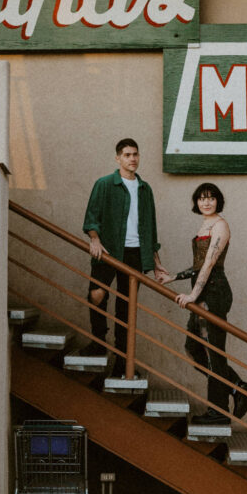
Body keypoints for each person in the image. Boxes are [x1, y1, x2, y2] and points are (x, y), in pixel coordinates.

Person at [83, 138, 168, 376]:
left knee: (126, 307)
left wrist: (156, 263)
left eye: (135, 154)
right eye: (127, 155)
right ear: (117, 158)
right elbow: (92, 216)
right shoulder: (105, 184)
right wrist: (95, 239)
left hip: (135, 254)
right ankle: (98, 343)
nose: (132, 159)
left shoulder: (145, 189)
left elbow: (150, 229)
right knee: (97, 294)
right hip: (109, 250)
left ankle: (122, 360)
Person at [172, 183, 247, 425]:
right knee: (194, 348)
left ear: (218, 201)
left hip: (214, 292)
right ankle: (238, 386)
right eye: (201, 198)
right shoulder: (204, 225)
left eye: (211, 198)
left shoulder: (220, 225)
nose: (206, 202)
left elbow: (209, 264)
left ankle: (217, 412)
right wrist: (173, 278)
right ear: (196, 202)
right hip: (203, 291)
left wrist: (193, 296)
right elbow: (198, 266)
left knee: (211, 350)